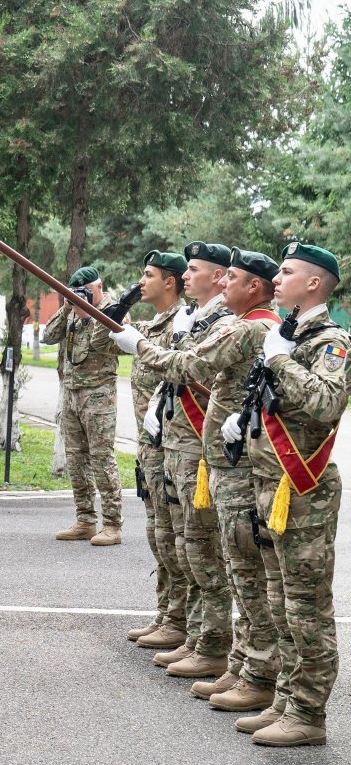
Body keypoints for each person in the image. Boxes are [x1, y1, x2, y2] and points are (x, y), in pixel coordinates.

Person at [113, 248, 282, 710]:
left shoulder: (252, 326)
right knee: (217, 556)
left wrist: (139, 347)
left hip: (235, 463)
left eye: (231, 276)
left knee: (236, 565)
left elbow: (186, 367)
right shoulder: (237, 322)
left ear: (252, 286)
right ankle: (237, 661)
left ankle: (240, 661)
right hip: (216, 456)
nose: (222, 282)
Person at [226, 243, 349, 747]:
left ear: (315, 283)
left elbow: (323, 402)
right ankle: (284, 697)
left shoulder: (334, 342)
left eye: (289, 272)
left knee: (305, 608)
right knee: (278, 604)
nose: (277, 278)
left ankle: (309, 714)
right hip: (268, 483)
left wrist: (281, 361)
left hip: (304, 490)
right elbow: (275, 404)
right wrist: (243, 419)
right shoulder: (288, 334)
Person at [127, 242, 234, 670]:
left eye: (194, 270)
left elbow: (186, 369)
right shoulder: (197, 319)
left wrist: (137, 344)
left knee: (201, 547)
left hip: (196, 445)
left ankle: (207, 641)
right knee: (173, 538)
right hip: (170, 439)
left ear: (220, 277)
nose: (187, 276)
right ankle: (184, 626)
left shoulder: (226, 324)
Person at [95, 251, 188, 643]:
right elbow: (105, 336)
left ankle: (180, 621)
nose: (141, 281)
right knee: (158, 535)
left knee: (175, 537)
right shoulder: (152, 325)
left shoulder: (182, 325)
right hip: (150, 446)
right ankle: (167, 613)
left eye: (147, 276)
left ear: (170, 281)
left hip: (174, 447)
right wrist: (126, 299)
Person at [43, 265, 122, 546]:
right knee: (76, 460)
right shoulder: (72, 311)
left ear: (99, 286)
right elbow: (48, 336)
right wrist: (67, 308)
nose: (82, 296)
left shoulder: (113, 309)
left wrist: (90, 316)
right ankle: (86, 519)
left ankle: (112, 525)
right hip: (72, 394)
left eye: (86, 291)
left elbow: (115, 345)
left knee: (101, 458)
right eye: (77, 292)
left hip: (99, 394)